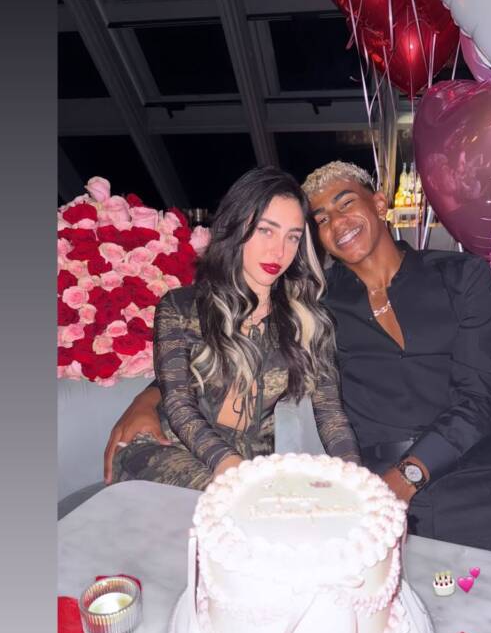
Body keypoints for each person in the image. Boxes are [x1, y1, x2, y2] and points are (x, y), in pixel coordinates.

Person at [106, 161, 491, 554]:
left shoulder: (456, 278)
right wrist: (149, 396)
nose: (336, 223)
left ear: (378, 203)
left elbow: (482, 400)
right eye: (320, 219)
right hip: (360, 472)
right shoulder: (318, 301)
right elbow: (197, 368)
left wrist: (388, 477)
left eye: (345, 203)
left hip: (463, 471)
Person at [108, 166, 360, 491]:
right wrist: (231, 467)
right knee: (234, 499)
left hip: (252, 465)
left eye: (292, 237)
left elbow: (331, 415)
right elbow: (178, 404)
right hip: (170, 451)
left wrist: (356, 480)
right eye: (265, 230)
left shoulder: (309, 320)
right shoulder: (180, 307)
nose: (279, 251)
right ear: (236, 225)